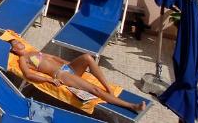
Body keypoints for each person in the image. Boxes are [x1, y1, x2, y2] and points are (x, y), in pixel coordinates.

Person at [10, 40, 146, 111]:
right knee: (95, 90)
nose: (19, 43)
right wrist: (49, 79)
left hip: (67, 68)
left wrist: (71, 63)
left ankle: (108, 88)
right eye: (15, 44)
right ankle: (132, 106)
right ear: (14, 50)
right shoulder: (23, 59)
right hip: (61, 74)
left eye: (18, 41)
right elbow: (28, 75)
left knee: (87, 57)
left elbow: (54, 58)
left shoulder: (34, 52)